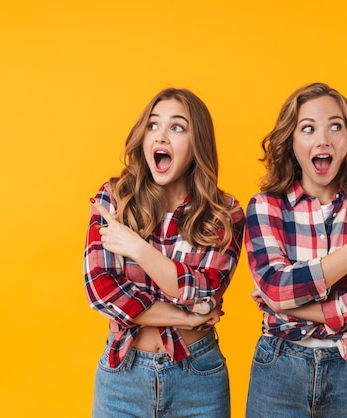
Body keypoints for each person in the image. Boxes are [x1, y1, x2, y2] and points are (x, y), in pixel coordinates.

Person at [244, 82, 347, 417]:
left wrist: (291, 306)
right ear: (291, 142)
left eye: (335, 126)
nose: (323, 139)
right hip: (278, 366)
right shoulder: (266, 207)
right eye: (308, 128)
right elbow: (277, 287)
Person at [84, 88, 245, 418]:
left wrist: (137, 248)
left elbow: (206, 292)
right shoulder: (114, 199)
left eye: (177, 127)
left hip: (198, 378)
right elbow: (102, 293)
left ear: (196, 142)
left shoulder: (224, 212)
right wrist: (188, 316)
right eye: (153, 125)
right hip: (122, 379)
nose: (161, 136)